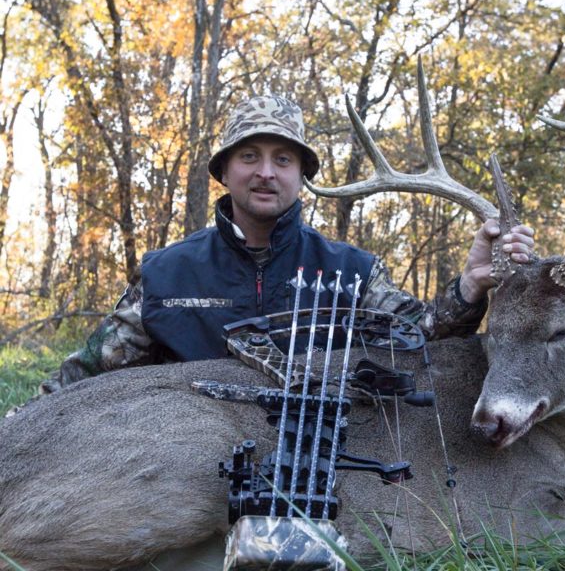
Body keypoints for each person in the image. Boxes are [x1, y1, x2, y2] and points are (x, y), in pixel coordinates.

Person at [45, 95, 534, 392]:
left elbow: (422, 338)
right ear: (224, 171)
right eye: (249, 156)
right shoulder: (167, 274)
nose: (265, 172)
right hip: (186, 457)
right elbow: (87, 374)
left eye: (283, 160)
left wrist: (470, 286)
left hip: (321, 460)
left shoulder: (351, 273)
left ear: (301, 176)